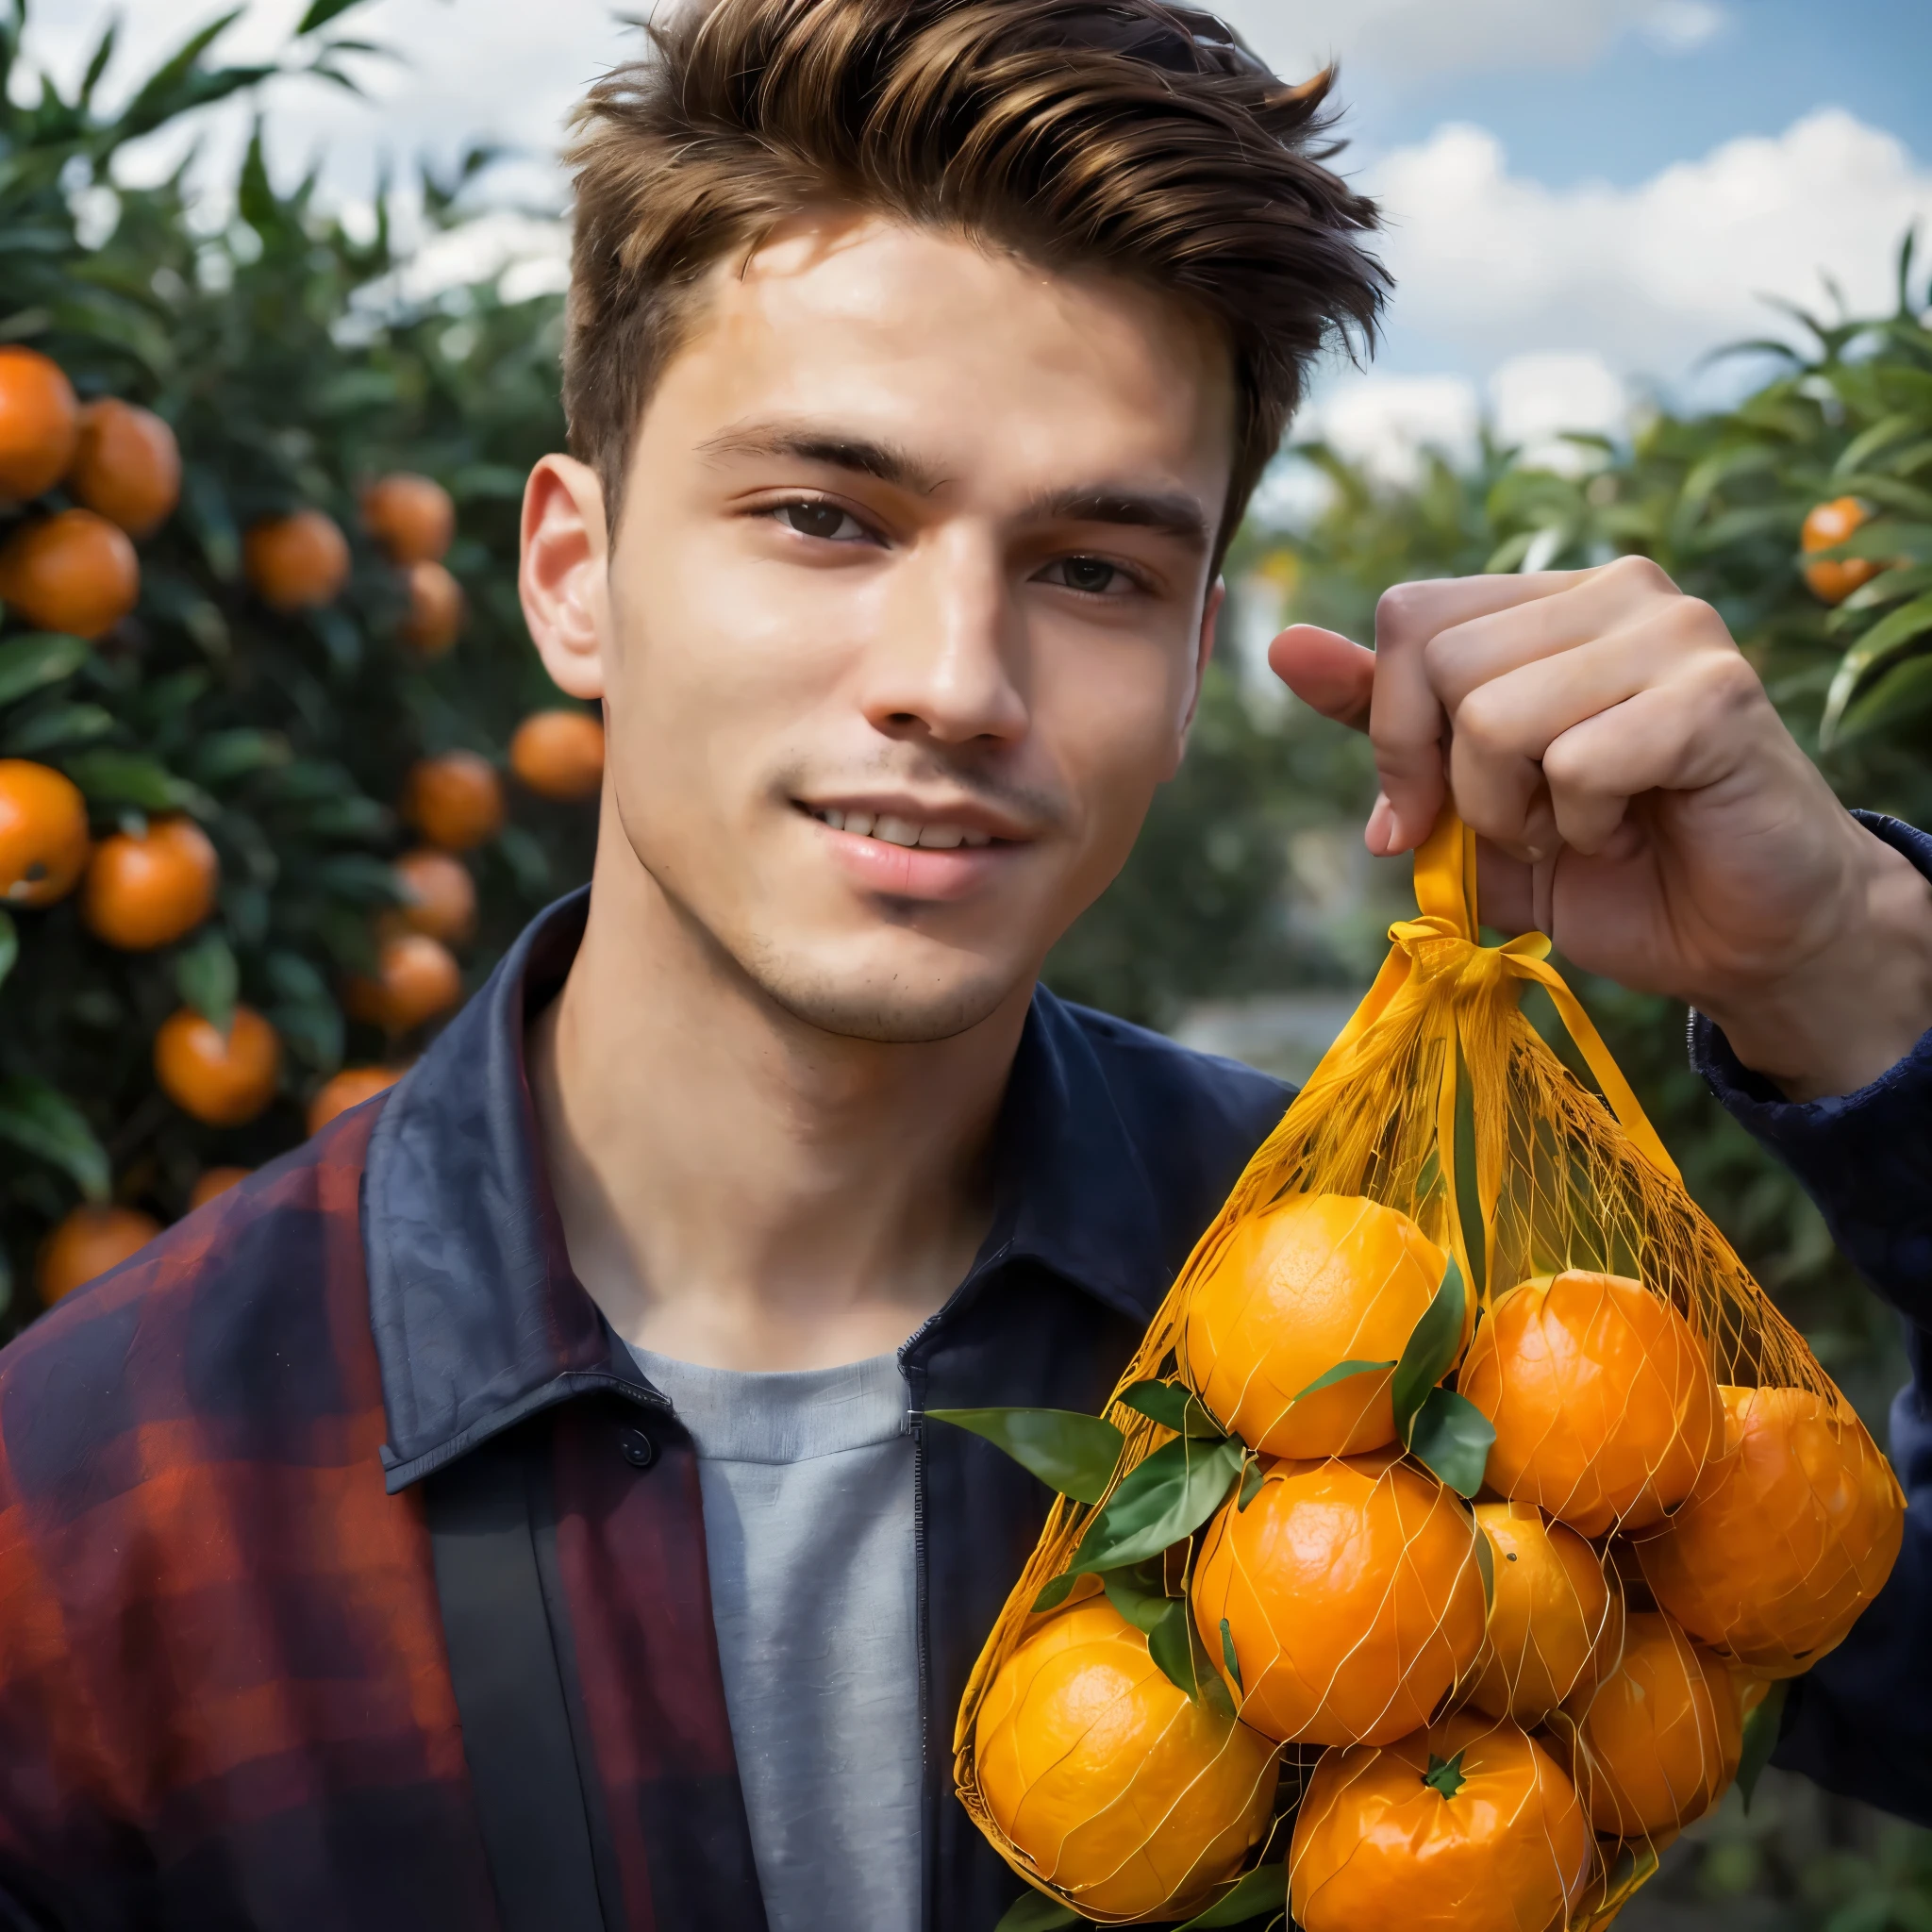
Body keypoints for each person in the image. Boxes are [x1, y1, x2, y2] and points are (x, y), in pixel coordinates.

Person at [0, 0, 1926, 1926]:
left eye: (1092, 567)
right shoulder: (94, 1500)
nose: (952, 684)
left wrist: (1845, 963)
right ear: (574, 576)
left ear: (1193, 666)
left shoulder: (1411, 1320)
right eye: (823, 516)